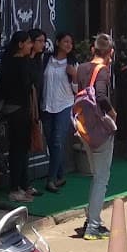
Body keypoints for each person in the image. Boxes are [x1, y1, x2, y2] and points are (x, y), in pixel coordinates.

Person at [70, 34, 119, 240]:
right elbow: (100, 96)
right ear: (111, 52)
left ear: (92, 50)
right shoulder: (103, 70)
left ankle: (91, 217)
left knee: (96, 175)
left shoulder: (81, 68)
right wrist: (112, 113)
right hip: (100, 129)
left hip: (83, 127)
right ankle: (94, 225)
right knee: (101, 178)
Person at [0, 31, 41, 203]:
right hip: (19, 111)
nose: (31, 46)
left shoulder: (9, 62)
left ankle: (20, 186)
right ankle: (15, 188)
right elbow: (28, 84)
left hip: (16, 110)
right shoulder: (20, 63)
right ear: (20, 44)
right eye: (28, 43)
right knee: (18, 150)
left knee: (19, 149)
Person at [41, 33, 77, 193]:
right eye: (65, 41)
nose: (69, 45)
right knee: (50, 141)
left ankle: (51, 179)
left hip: (65, 104)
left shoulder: (73, 63)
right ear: (57, 42)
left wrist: (74, 76)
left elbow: (78, 89)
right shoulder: (46, 59)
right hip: (46, 104)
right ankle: (61, 173)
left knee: (57, 141)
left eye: (71, 42)